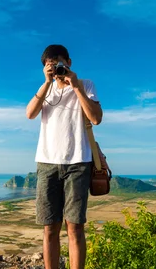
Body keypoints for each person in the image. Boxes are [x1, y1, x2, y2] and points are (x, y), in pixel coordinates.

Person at [26, 44, 103, 269]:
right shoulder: (45, 89)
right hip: (47, 163)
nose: (57, 68)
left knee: (75, 226)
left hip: (78, 162)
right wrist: (47, 82)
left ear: (68, 62)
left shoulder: (86, 84)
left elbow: (96, 118)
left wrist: (76, 86)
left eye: (59, 63)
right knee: (49, 227)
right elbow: (30, 114)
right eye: (51, 65)